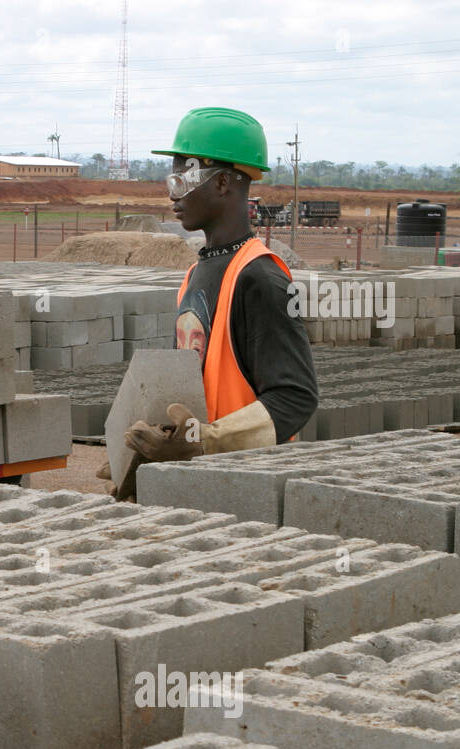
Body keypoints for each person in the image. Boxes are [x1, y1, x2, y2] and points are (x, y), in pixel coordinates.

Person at [104, 107, 318, 499]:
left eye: (184, 178)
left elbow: (296, 397)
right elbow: (188, 392)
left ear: (222, 183)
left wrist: (207, 441)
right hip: (201, 486)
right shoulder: (195, 274)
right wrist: (142, 456)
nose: (172, 192)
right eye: (171, 178)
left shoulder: (261, 278)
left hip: (247, 490)